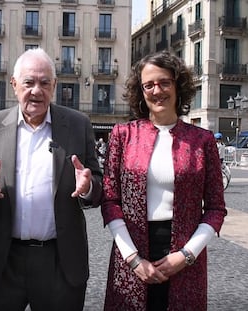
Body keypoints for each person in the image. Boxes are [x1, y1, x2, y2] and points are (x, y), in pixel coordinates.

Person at [0, 48, 102, 311]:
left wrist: (88, 186)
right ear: (14, 85)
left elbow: (97, 182)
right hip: (4, 260)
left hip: (60, 261)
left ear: (54, 86)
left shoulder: (78, 124)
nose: (36, 90)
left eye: (44, 83)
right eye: (29, 82)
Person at [101, 51, 227, 311]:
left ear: (177, 85)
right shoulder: (122, 135)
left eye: (164, 82)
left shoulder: (202, 141)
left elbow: (215, 209)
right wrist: (133, 259)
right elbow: (110, 200)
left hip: (184, 256)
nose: (157, 91)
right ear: (141, 91)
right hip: (132, 252)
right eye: (149, 85)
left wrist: (186, 255)